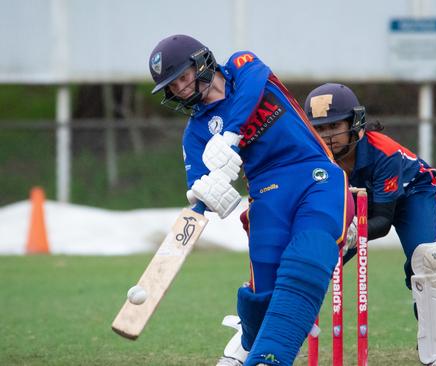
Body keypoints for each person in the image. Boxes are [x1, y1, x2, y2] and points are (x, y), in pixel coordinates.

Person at [148, 35, 351, 366]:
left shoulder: (243, 67)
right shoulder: (196, 132)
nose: (181, 90)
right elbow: (198, 183)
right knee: (263, 298)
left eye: (182, 78)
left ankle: (267, 359)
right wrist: (205, 192)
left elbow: (254, 85)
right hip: (266, 193)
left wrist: (231, 135)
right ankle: (244, 345)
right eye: (172, 87)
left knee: (308, 255)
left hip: (314, 173)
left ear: (201, 63)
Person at [304, 83, 436, 366]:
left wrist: (350, 233)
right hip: (363, 204)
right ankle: (251, 348)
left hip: (414, 193)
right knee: (307, 264)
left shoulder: (382, 152)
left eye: (334, 125)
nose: (327, 136)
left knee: (428, 259)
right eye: (319, 128)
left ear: (355, 123)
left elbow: (383, 221)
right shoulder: (313, 157)